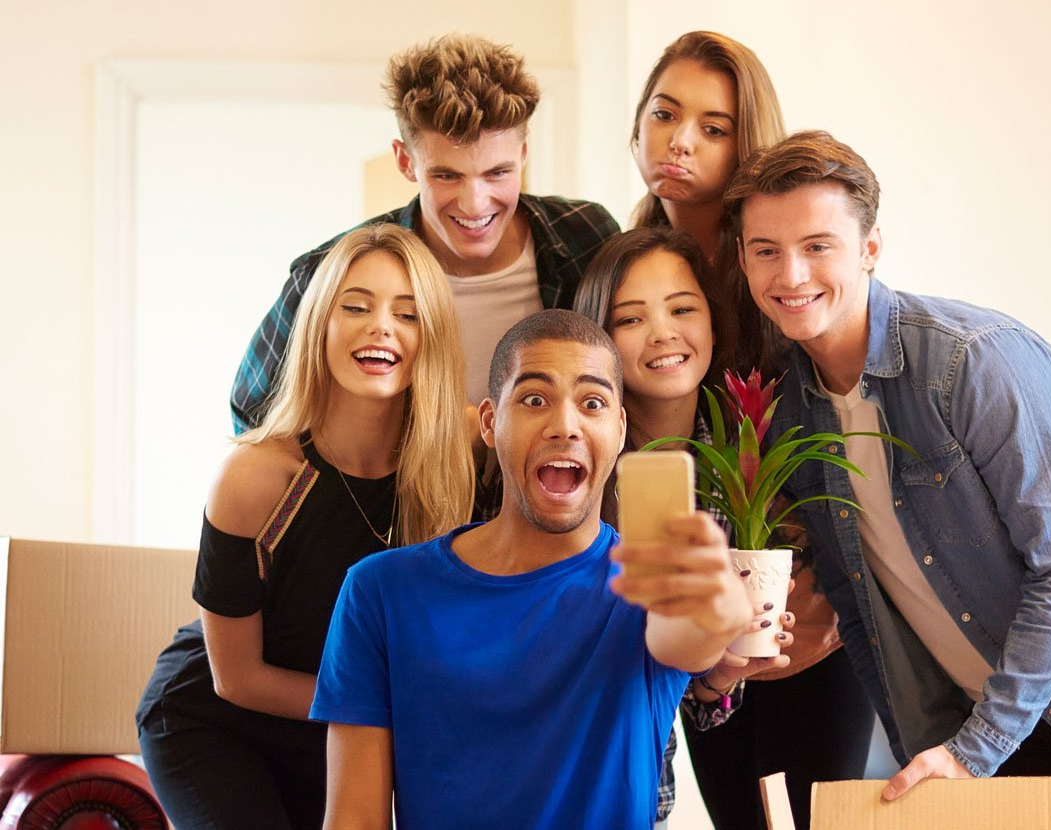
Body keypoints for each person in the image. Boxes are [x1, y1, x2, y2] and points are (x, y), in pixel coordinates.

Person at [726, 129, 1051, 828]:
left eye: (818, 245)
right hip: (1007, 723)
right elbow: (863, 615)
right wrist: (936, 752)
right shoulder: (795, 417)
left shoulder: (973, 362)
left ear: (871, 249)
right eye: (766, 251)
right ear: (742, 258)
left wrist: (973, 752)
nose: (790, 275)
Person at [310, 309, 754, 830]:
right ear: (491, 422)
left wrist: (719, 609)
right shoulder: (380, 591)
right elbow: (353, 819)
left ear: (619, 428)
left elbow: (687, 639)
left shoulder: (650, 584)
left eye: (592, 403)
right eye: (535, 399)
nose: (565, 426)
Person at [136, 225, 474, 830]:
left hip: (338, 727)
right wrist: (389, 710)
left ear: (434, 337)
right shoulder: (256, 476)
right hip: (213, 720)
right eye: (356, 306)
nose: (381, 327)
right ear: (320, 323)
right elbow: (235, 678)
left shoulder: (458, 456)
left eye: (408, 312)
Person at [574, 227, 875, 830]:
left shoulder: (753, 442)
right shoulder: (580, 472)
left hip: (797, 678)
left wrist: (723, 671)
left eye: (683, 309)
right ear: (598, 340)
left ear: (713, 319)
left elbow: (696, 692)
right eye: (629, 319)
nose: (663, 333)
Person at [231, 34, 618, 431]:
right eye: (446, 175)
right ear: (405, 161)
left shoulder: (585, 238)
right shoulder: (330, 271)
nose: (475, 203)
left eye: (497, 173)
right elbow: (253, 413)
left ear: (522, 153)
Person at [630, 30, 786, 373]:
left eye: (713, 130)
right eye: (664, 114)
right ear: (639, 122)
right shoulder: (628, 255)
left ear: (745, 146)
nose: (680, 141)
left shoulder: (774, 266)